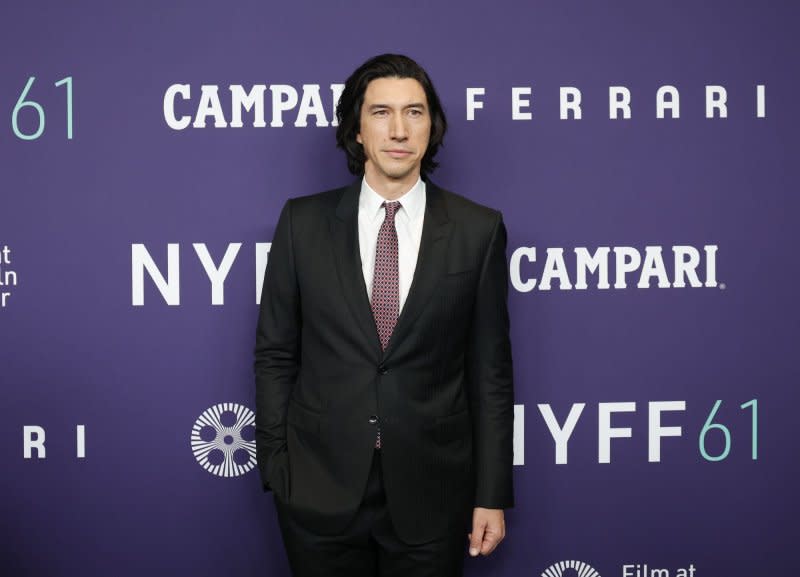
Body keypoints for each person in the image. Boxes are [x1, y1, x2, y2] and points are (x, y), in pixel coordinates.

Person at [255, 53, 514, 577]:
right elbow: (276, 354)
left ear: (431, 126)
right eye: (381, 112)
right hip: (317, 491)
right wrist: (278, 469)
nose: (399, 129)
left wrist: (491, 494)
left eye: (414, 112)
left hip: (433, 493)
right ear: (356, 129)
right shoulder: (300, 224)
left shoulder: (477, 230)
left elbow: (490, 374)